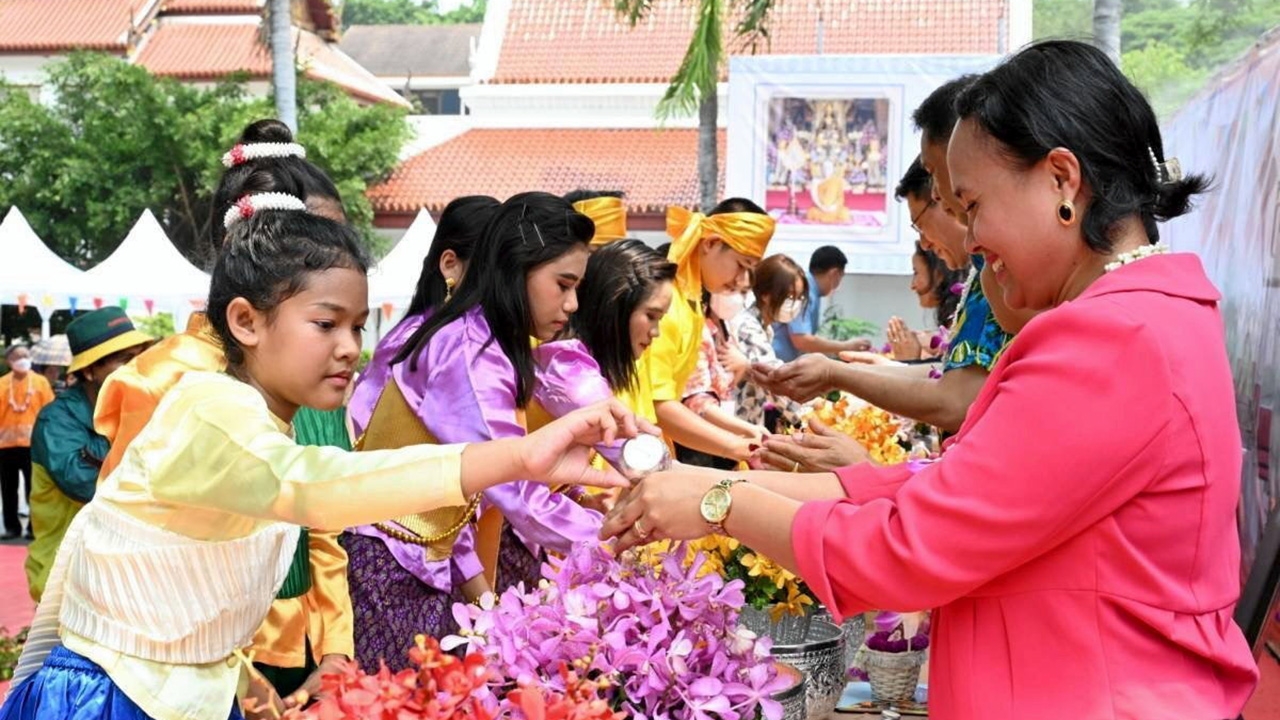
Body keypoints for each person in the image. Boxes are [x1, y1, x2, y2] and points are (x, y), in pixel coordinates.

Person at [602, 40, 1258, 720]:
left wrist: (723, 505)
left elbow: (908, 548)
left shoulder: (1112, 339)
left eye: (972, 205)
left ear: (1062, 179)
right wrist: (728, 482)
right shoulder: (1142, 320)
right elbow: (958, 487)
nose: (969, 240)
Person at [1, 201, 639, 720]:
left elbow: (189, 626)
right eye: (326, 324)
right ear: (246, 322)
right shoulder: (209, 407)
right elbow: (315, 489)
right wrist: (520, 456)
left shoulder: (267, 426)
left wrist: (255, 694)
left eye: (358, 327)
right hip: (108, 699)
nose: (350, 349)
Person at [91, 120, 364, 712]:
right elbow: (130, 564)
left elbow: (325, 530)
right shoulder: (166, 380)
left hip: (304, 652)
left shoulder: (316, 381)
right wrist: (240, 679)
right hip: (177, 669)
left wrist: (336, 651)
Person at [345, 192, 614, 670]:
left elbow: (463, 496)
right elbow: (516, 491)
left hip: (419, 559)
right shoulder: (470, 353)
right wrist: (618, 533)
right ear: (517, 266)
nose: (572, 304)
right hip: (390, 563)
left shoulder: (484, 344)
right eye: (564, 284)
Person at [24, 308, 153, 601]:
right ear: (89, 370)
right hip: (68, 581)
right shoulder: (56, 420)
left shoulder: (140, 411)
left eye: (139, 357)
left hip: (128, 580)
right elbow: (87, 485)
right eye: (124, 360)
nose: (137, 368)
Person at [648, 199, 775, 464]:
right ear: (710, 243)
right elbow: (658, 405)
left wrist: (744, 434)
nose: (741, 280)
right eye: (741, 265)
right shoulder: (667, 303)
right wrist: (737, 447)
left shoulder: (692, 304)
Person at [568, 239, 676, 425]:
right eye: (651, 316)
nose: (656, 332)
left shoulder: (630, 364)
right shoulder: (567, 371)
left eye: (660, 319)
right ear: (615, 306)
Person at [730, 254, 808, 431]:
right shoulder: (748, 327)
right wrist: (807, 417)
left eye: (800, 298)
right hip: (733, 428)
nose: (795, 304)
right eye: (789, 296)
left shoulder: (765, 327)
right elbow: (773, 380)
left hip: (747, 423)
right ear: (765, 294)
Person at [772, 245, 870, 361]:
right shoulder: (804, 289)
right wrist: (846, 346)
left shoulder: (811, 289)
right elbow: (802, 340)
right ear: (834, 274)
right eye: (840, 277)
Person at [1, 343, 55, 540]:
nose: (23, 359)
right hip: (5, 446)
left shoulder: (40, 382)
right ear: (10, 361)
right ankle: (11, 527)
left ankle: (34, 527)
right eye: (18, 356)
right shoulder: (2, 383)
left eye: (25, 355)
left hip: (33, 446)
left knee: (34, 490)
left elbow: (49, 412)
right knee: (8, 489)